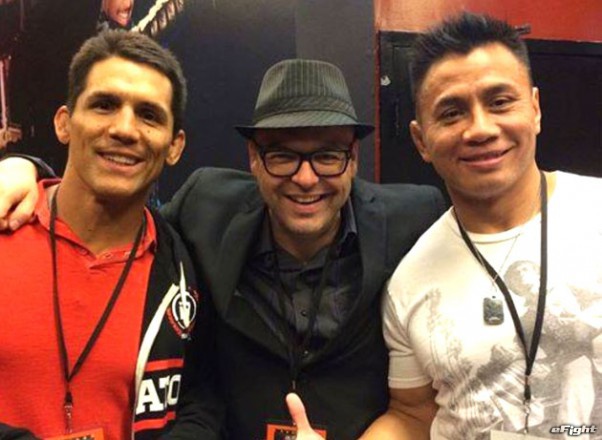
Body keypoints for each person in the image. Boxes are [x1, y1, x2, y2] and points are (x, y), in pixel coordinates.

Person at [0, 58, 447, 439]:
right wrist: (26, 170)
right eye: (282, 155)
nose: (306, 178)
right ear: (253, 159)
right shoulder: (206, 207)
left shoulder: (413, 219)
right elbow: (119, 210)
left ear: (353, 160)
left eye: (328, 155)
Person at [360, 12, 602, 440]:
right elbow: (412, 414)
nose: (480, 129)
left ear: (535, 109)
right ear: (421, 140)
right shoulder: (409, 280)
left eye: (500, 102)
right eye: (452, 113)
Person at [0, 30, 216, 439]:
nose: (124, 129)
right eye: (104, 105)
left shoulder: (183, 268)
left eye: (149, 115)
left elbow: (200, 400)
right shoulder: (6, 223)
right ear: (64, 123)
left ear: (174, 146)